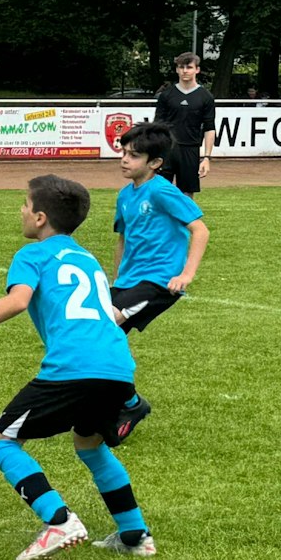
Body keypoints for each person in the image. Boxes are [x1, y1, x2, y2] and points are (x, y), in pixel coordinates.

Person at [0, 175, 154, 560]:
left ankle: (59, 520)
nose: (21, 210)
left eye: (25, 204)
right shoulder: (88, 260)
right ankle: (135, 534)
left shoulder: (33, 255)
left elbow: (18, 301)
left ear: (40, 218)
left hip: (73, 367)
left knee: (0, 440)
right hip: (118, 366)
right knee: (89, 444)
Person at [107, 121, 209, 444]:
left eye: (134, 155)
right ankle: (120, 402)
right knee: (96, 336)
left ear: (155, 163)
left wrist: (186, 275)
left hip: (159, 281)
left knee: (105, 326)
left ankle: (128, 403)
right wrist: (116, 281)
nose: (125, 159)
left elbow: (200, 230)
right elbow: (123, 239)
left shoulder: (162, 190)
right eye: (124, 153)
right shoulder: (125, 195)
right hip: (129, 281)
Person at [152, 51, 215, 196]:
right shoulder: (166, 95)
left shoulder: (206, 97)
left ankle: (185, 214)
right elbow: (157, 126)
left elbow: (209, 128)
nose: (185, 71)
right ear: (177, 69)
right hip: (167, 149)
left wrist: (206, 158)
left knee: (187, 194)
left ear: (197, 70)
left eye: (189, 67)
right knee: (160, 192)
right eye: (181, 67)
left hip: (190, 149)